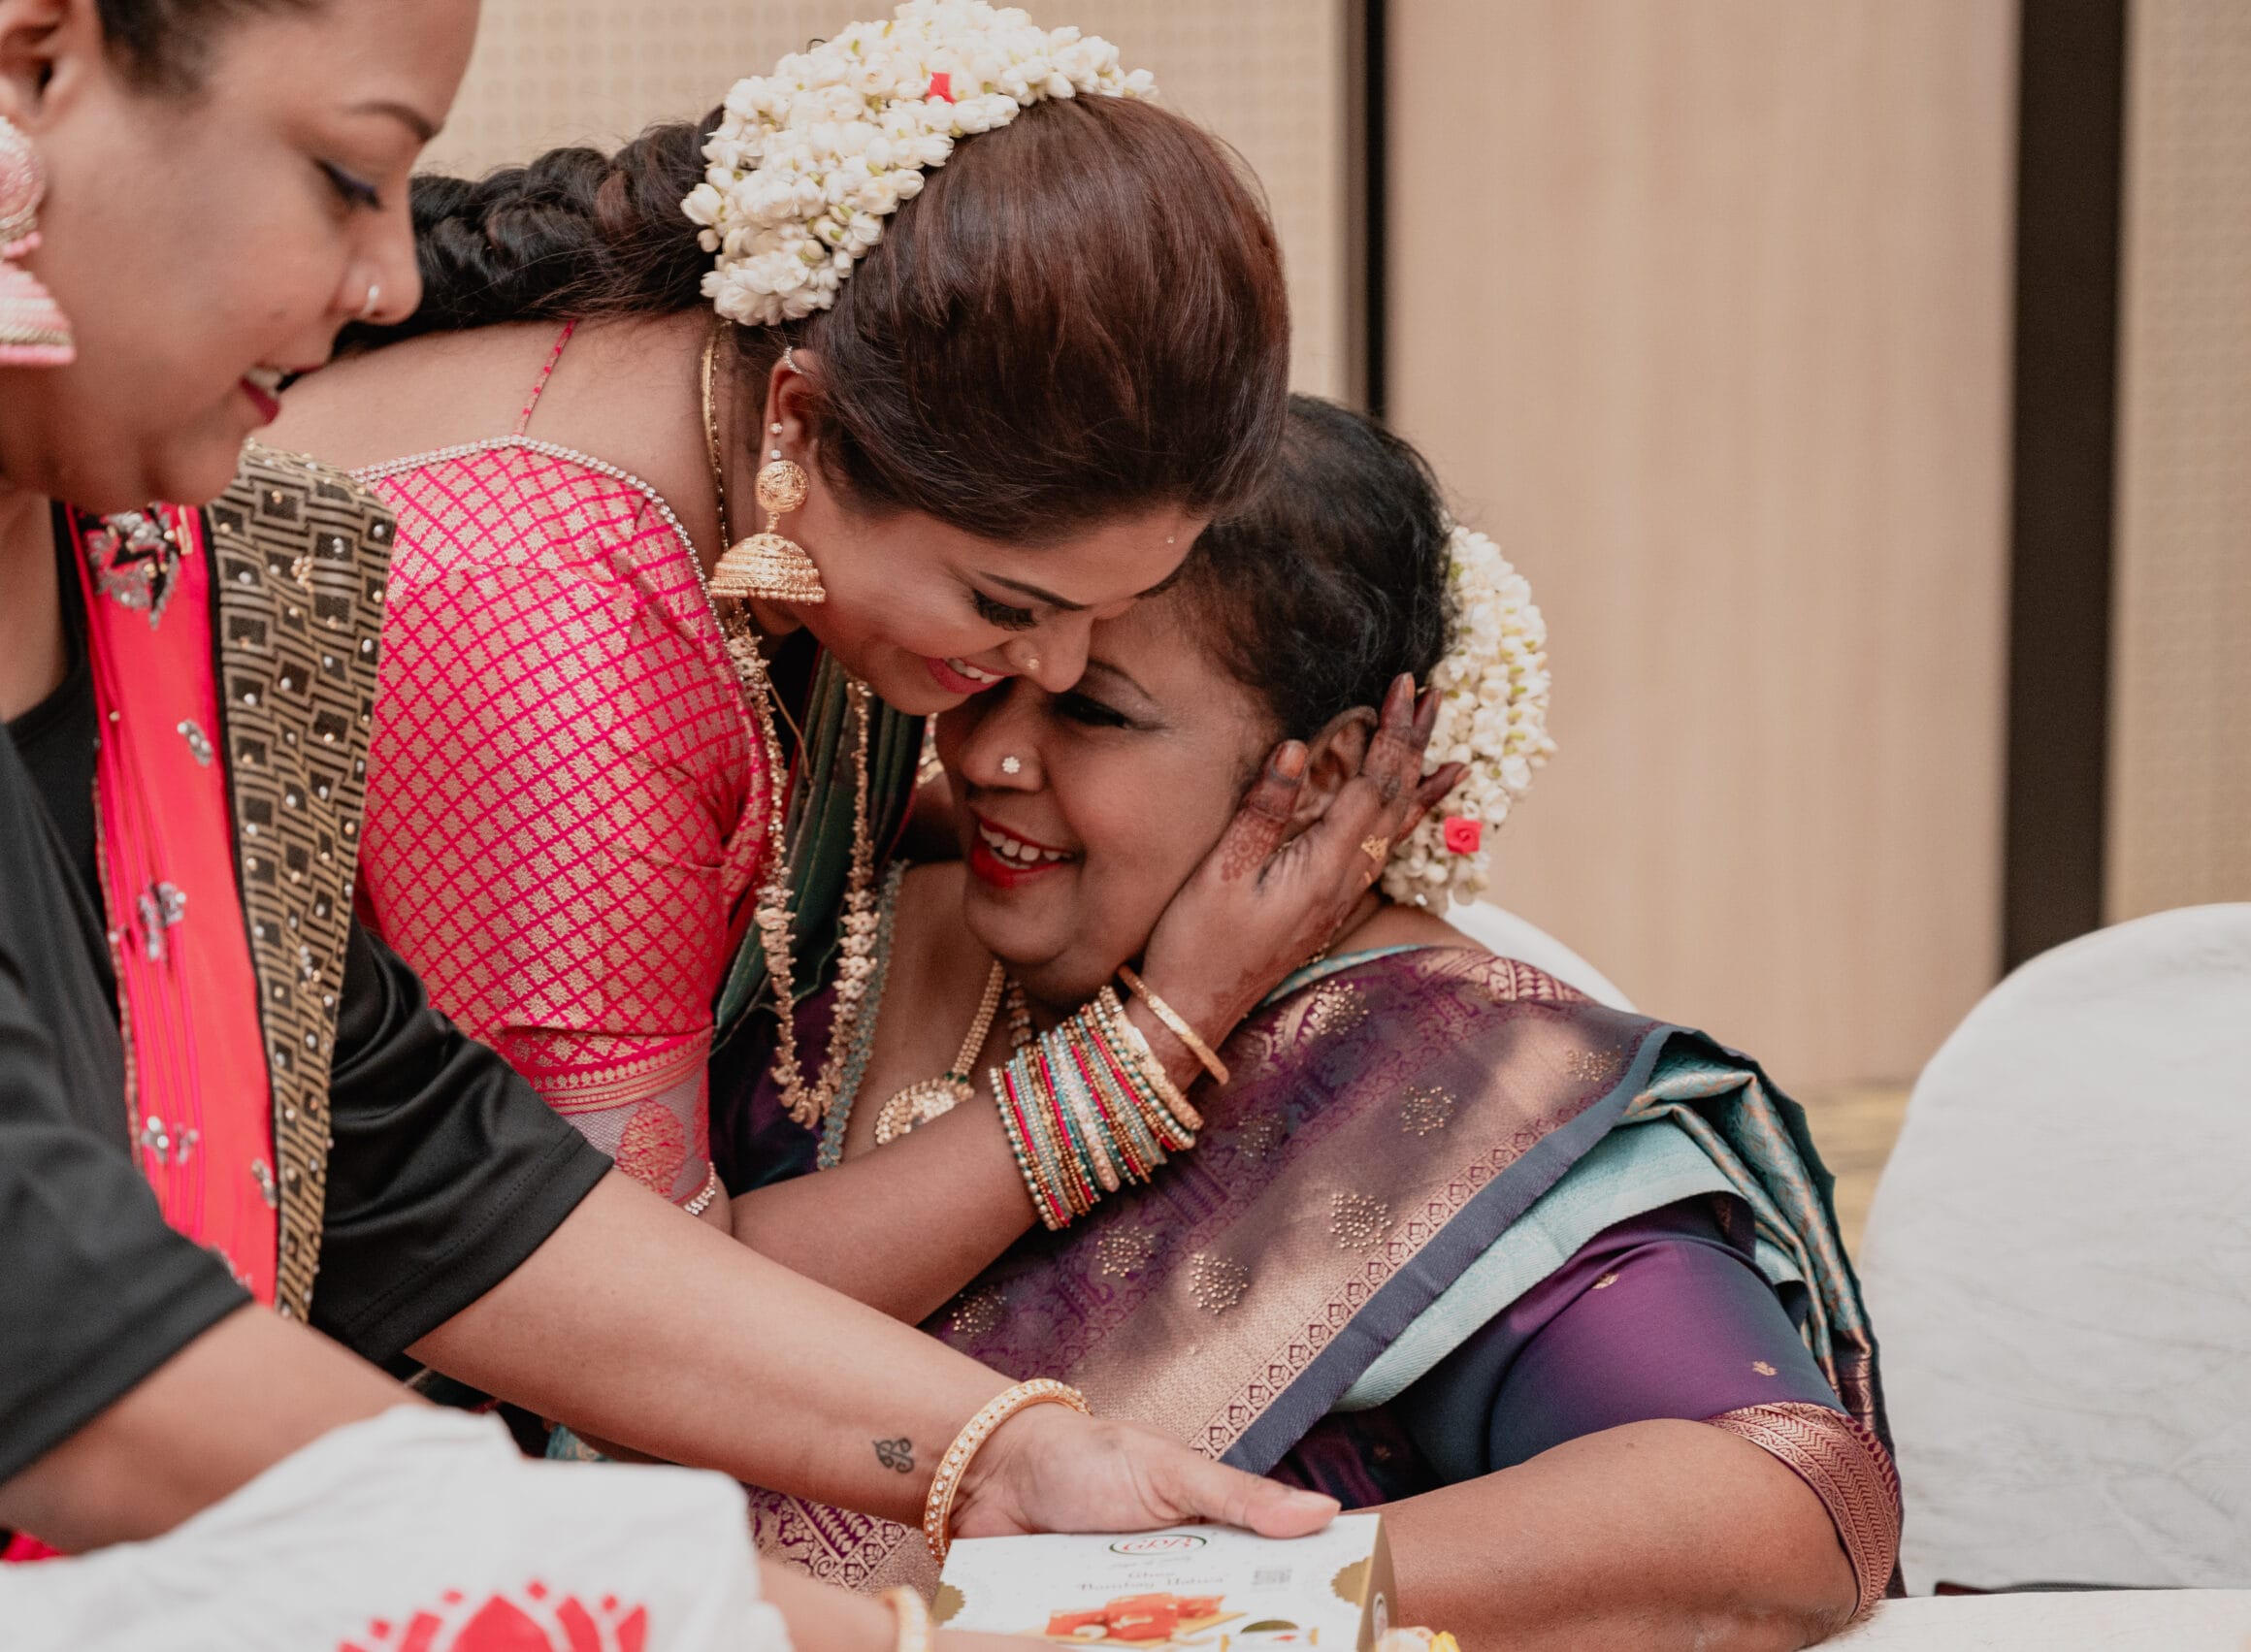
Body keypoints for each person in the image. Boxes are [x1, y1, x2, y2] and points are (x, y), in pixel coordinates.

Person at [0, 6, 1419, 1648]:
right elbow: (13, 1296)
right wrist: (849, 1634)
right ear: (29, 65)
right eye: (347, 174)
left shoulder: (127, 537)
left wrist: (999, 1446)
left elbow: (401, 1143)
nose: (389, 278)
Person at [711, 400, 1904, 1652]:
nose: (991, 755)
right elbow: (622, 1299)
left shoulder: (1443, 1073)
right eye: (991, 671)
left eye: (1093, 712)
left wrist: (1152, 1602)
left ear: (1327, 771)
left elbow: (1785, 1493)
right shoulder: (843, 924)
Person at [267, 1, 1321, 1219]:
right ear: (802, 423)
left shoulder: (706, 373)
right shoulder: (556, 647)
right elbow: (623, 1289)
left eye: (1108, 614)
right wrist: (1150, 1044)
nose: (1053, 661)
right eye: (1006, 602)